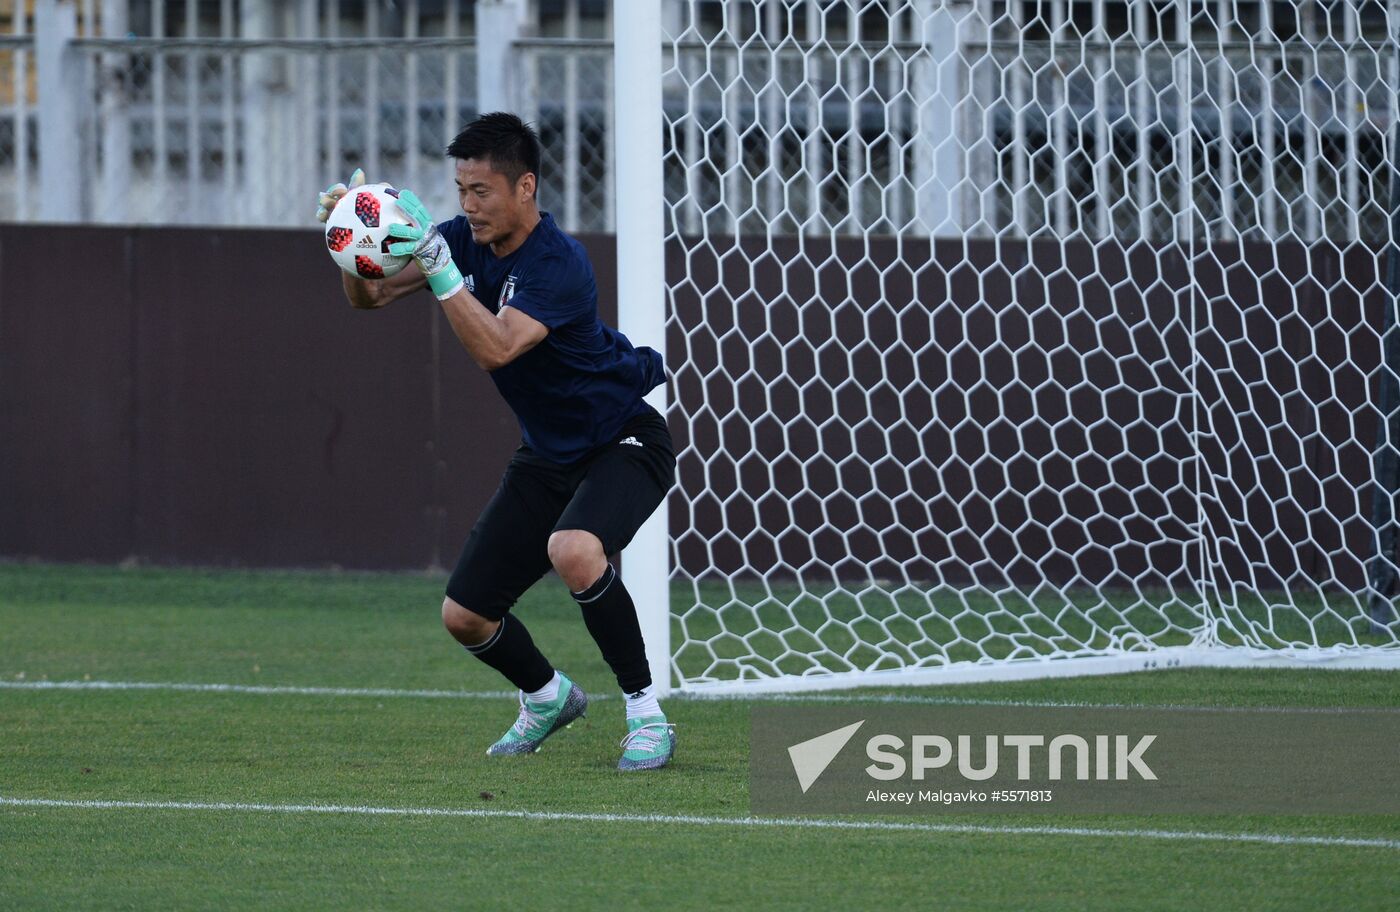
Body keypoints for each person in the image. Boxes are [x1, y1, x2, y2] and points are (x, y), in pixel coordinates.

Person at [315, 113, 675, 771]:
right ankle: (545, 696)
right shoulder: (457, 242)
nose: (468, 205)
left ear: (526, 187)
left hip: (623, 438)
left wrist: (439, 266)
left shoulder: (559, 262)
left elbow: (499, 347)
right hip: (548, 453)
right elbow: (368, 299)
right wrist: (348, 241)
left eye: (482, 190)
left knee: (573, 548)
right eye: (461, 189)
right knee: (464, 616)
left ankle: (646, 715)